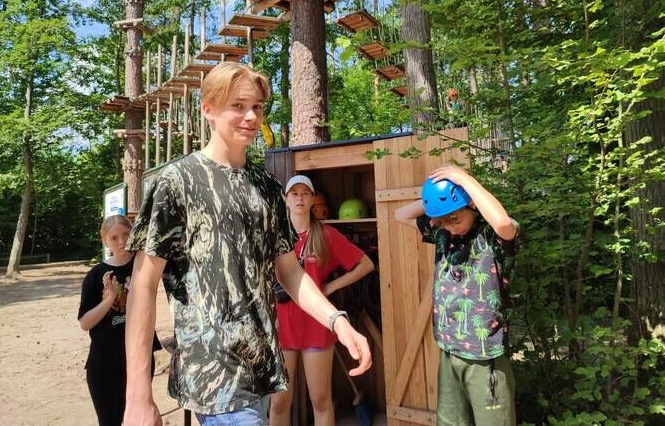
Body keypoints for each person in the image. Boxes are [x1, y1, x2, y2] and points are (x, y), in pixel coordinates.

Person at [123, 62, 372, 426]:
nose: (251, 116)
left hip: (262, 372)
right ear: (208, 110)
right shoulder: (177, 182)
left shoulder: (267, 187)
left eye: (257, 106)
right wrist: (137, 396)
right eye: (238, 106)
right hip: (215, 380)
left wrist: (337, 322)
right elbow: (143, 286)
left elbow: (289, 272)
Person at [394, 165, 518, 426]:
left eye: (456, 219)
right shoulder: (442, 233)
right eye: (443, 221)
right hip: (449, 348)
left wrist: (464, 182)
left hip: (484, 355)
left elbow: (504, 224)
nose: (450, 228)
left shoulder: (490, 235)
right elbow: (400, 214)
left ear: (471, 205)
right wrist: (435, 199)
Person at [269, 175, 375, 426]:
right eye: (294, 193)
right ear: (286, 199)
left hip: (317, 324)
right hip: (281, 324)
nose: (299, 198)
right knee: (279, 402)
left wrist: (330, 287)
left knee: (320, 399)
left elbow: (366, 264)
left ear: (312, 199)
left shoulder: (326, 235)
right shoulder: (272, 235)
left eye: (305, 193)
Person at [78, 215, 161, 426]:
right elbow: (85, 323)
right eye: (114, 238)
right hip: (104, 363)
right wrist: (110, 299)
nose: (122, 241)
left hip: (140, 359)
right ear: (105, 240)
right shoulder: (96, 275)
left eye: (126, 234)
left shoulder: (144, 266)